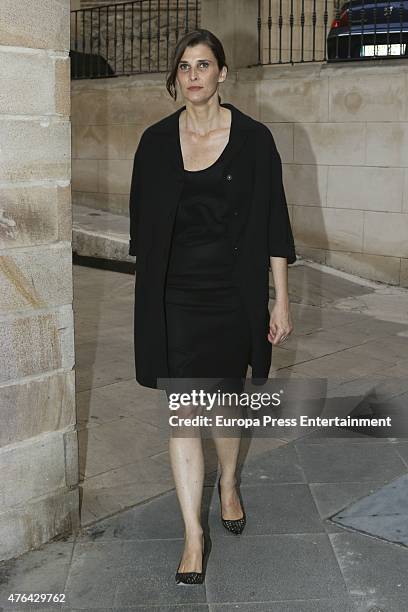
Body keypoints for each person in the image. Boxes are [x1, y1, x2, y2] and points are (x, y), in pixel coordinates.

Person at [128, 28, 296, 585]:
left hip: (231, 294)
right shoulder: (154, 142)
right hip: (174, 297)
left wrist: (280, 299)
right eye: (184, 67)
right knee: (184, 414)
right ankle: (192, 537)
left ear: (222, 73)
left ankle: (227, 481)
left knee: (220, 405)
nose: (193, 75)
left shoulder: (254, 140)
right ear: (175, 78)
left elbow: (274, 223)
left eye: (203, 65)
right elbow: (142, 229)